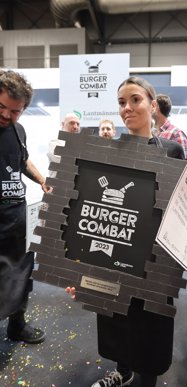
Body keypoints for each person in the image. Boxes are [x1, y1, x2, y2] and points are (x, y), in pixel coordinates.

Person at [67, 76, 187, 387]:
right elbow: (87, 209)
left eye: (135, 100)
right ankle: (123, 372)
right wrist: (77, 268)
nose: (127, 108)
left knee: (153, 326)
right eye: (121, 102)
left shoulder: (171, 150)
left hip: (157, 259)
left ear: (152, 105)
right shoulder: (108, 152)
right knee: (117, 319)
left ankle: (147, 382)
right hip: (115, 252)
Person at [0, 69, 51, 343]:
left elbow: (23, 161)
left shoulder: (18, 131)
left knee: (21, 278)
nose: (7, 116)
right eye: (2, 107)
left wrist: (42, 180)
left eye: (15, 111)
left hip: (16, 220)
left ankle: (17, 326)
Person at [153, 94, 187, 159]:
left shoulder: (177, 133)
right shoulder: (152, 133)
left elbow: (185, 164)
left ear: (157, 108)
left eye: (152, 106)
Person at [47, 112, 80, 177]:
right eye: (72, 123)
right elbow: (65, 162)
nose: (75, 127)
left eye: (78, 124)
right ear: (63, 124)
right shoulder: (54, 143)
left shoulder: (80, 144)